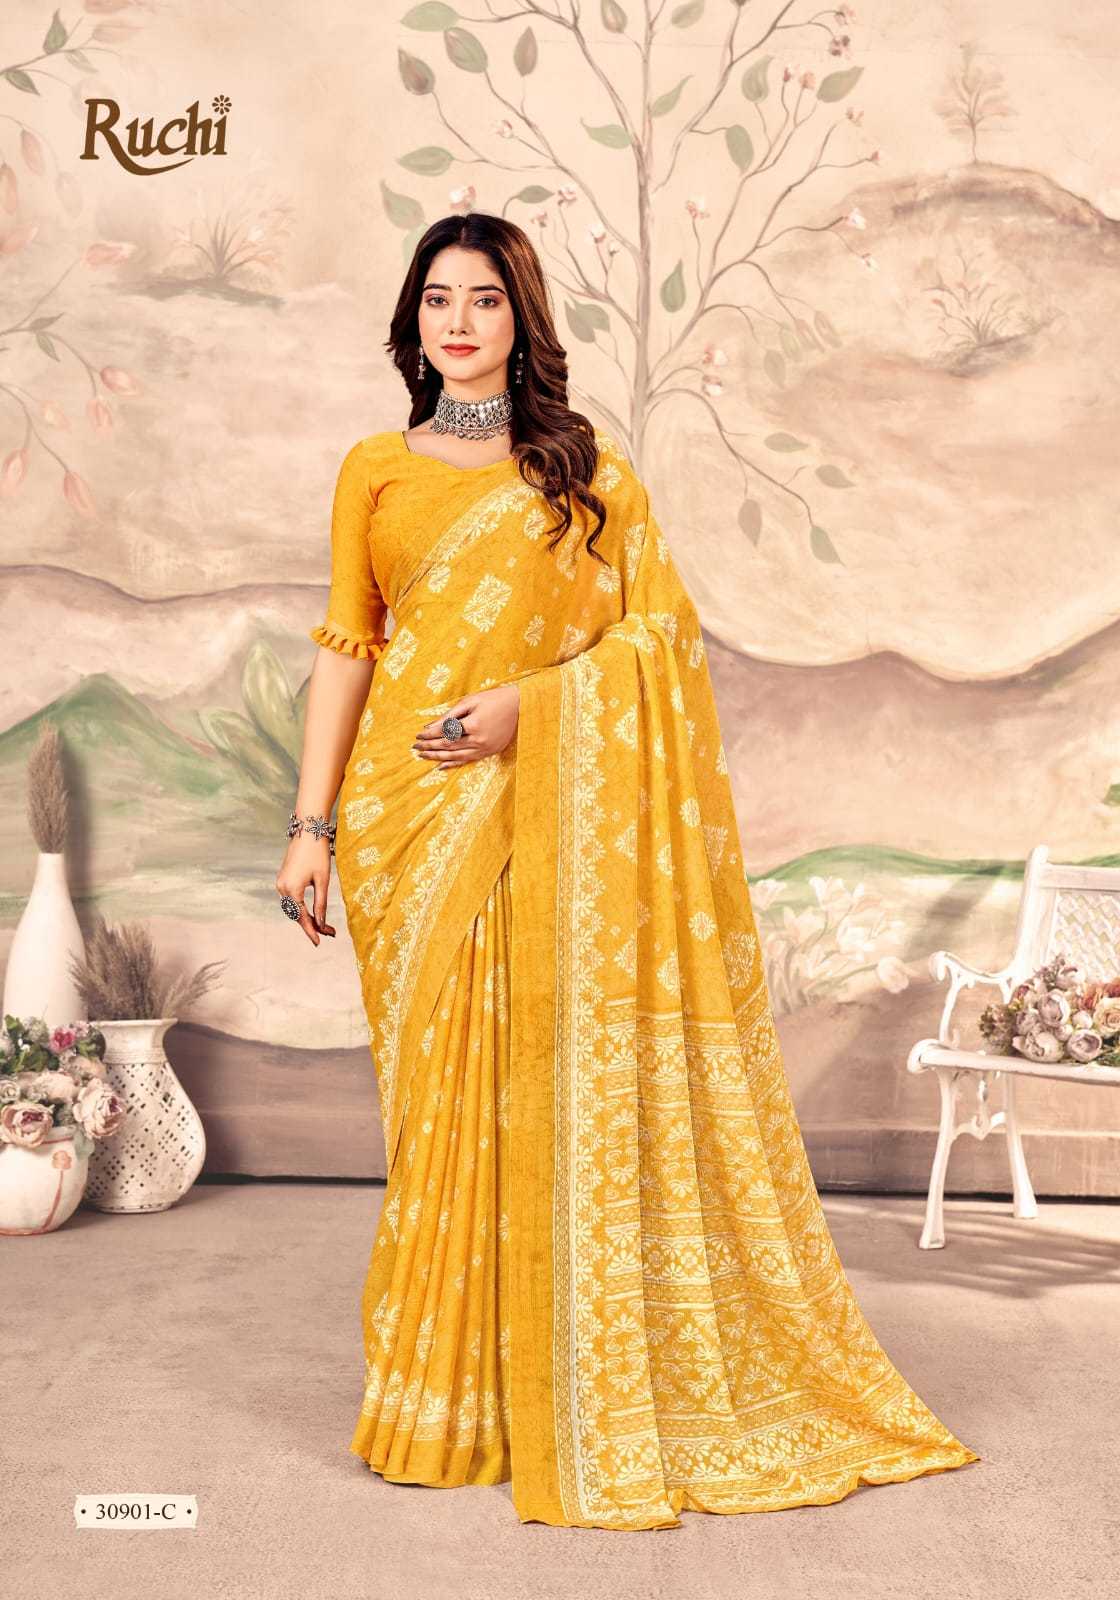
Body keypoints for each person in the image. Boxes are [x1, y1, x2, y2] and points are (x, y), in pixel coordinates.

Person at [276, 212, 980, 1531]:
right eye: (439, 299)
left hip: (533, 809)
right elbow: (345, 647)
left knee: (527, 1095)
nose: (460, 322)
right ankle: (442, 1401)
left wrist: (531, 711)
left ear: (522, 320)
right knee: (436, 1120)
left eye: (486, 299)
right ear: (413, 319)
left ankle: (524, 1392)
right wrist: (311, 825)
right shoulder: (373, 470)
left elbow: (660, 647)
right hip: (402, 827)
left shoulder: (589, 473)